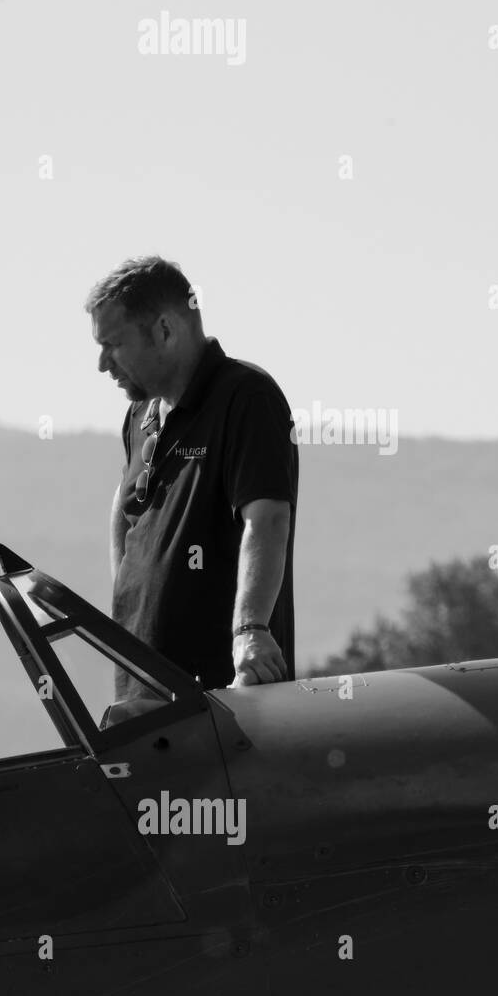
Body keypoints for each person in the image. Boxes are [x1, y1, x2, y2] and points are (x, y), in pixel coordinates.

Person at [87, 256, 297, 694]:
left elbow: (267, 519)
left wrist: (251, 630)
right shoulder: (139, 415)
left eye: (114, 344)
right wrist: (129, 614)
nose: (103, 364)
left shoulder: (245, 397)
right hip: (142, 692)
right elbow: (124, 513)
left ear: (165, 330)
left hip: (226, 701)